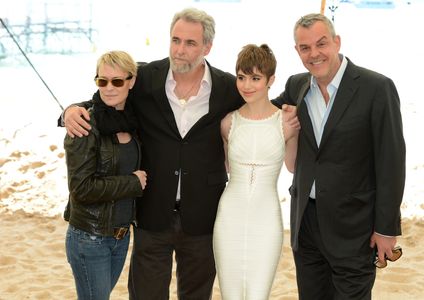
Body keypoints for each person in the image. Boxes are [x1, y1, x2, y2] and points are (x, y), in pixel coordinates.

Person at [61, 8, 249, 299]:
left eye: (190, 43)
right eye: (175, 40)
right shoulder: (146, 78)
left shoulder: (227, 87)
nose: (180, 50)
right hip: (152, 213)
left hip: (204, 216)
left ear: (207, 47)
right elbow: (109, 92)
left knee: (197, 294)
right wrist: (70, 110)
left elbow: (260, 105)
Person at [272, 13, 406, 299]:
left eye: (321, 44)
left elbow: (391, 162)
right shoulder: (297, 86)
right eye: (304, 48)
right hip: (305, 224)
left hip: (354, 228)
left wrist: (386, 228)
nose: (314, 54)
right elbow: (258, 113)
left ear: (336, 42)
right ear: (297, 51)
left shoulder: (376, 88)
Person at [213, 44, 299, 299]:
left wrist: (297, 127)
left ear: (271, 80)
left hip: (267, 218)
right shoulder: (228, 122)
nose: (247, 85)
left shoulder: (286, 122)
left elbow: (292, 166)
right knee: (230, 293)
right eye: (241, 77)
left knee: (258, 294)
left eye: (255, 78)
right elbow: (226, 167)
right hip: (229, 216)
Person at [64, 50, 147, 300]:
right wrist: (131, 183)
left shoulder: (132, 118)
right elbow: (81, 189)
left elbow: (155, 69)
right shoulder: (84, 124)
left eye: (117, 81)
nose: (109, 88)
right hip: (90, 237)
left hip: (120, 237)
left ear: (131, 82)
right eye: (102, 81)